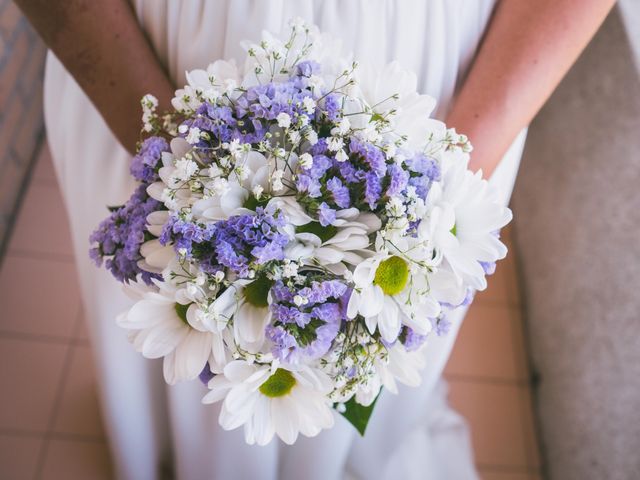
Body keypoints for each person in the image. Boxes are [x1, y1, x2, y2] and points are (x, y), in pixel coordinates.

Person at [15, 1, 615, 479]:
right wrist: (178, 158)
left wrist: (435, 185)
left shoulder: (431, 181)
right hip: (146, 54)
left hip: (438, 80)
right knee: (160, 339)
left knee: (371, 370)